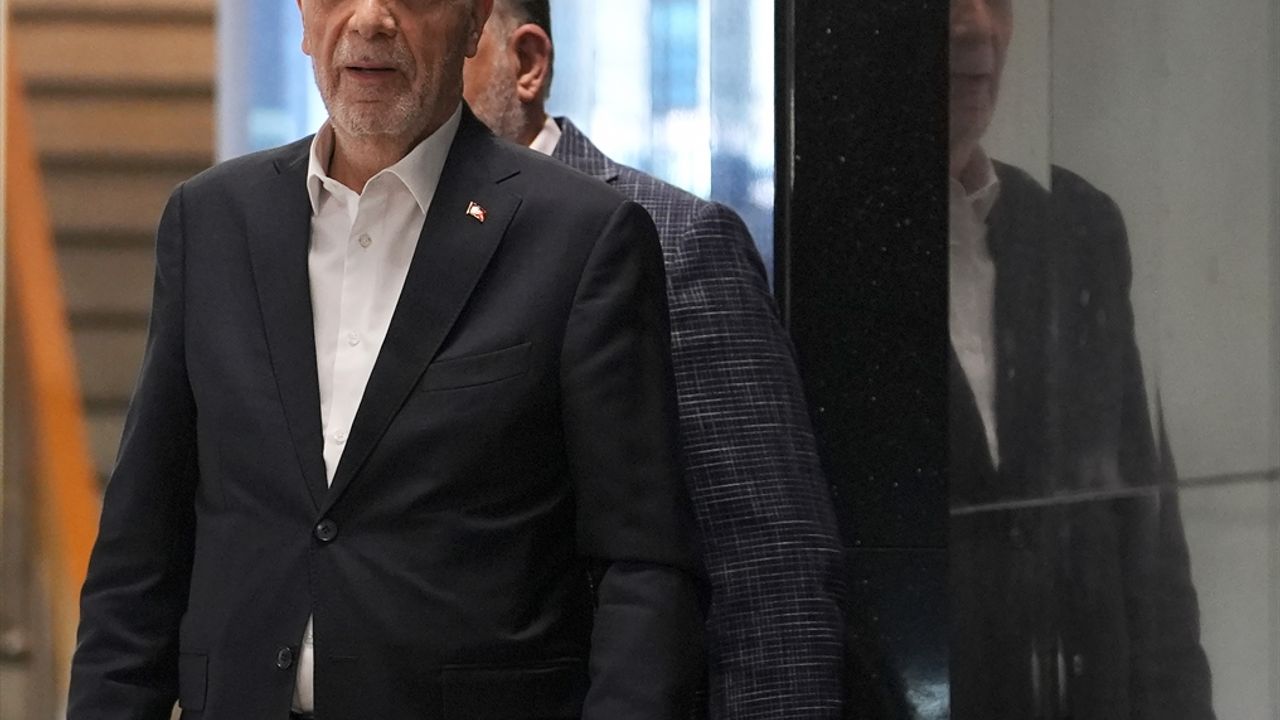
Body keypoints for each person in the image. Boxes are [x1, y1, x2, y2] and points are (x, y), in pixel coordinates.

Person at [67, 0, 704, 717]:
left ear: (474, 22)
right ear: (303, 18)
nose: (369, 19)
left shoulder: (582, 236)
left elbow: (643, 568)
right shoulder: (210, 219)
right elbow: (141, 547)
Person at [462, 3, 846, 719]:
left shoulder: (675, 240)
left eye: (446, 32)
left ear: (526, 65)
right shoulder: (369, 244)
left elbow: (771, 570)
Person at [948, 0, 1214, 717]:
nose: (978, 26)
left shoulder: (1074, 225)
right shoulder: (820, 244)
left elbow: (1145, 537)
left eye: (996, 0)